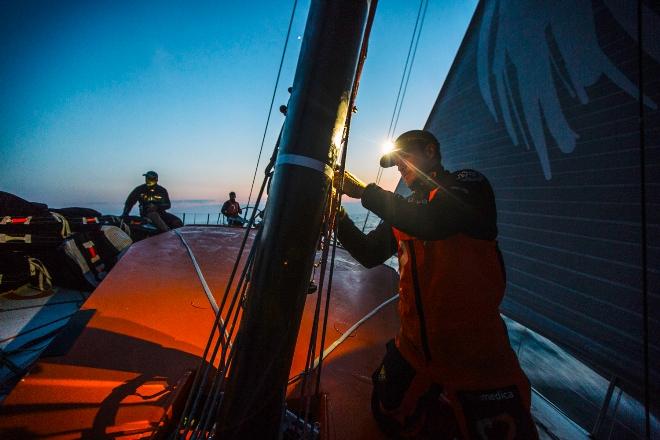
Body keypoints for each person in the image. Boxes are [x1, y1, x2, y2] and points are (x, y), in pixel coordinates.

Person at [335, 130, 538, 439]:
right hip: (414, 349)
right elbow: (369, 252)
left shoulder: (468, 186)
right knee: (386, 410)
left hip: (476, 356)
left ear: (430, 152)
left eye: (404, 158)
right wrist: (337, 217)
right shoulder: (406, 209)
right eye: (396, 163)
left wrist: (365, 193)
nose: (400, 167)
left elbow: (433, 221)